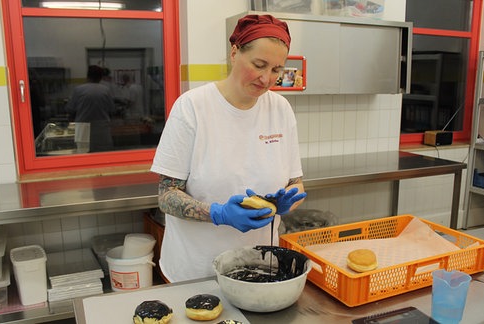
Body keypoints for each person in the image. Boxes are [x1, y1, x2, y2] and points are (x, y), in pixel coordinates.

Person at [150, 14, 307, 283]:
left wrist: (288, 200)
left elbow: (296, 182)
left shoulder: (280, 109)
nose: (266, 78)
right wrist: (218, 213)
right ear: (234, 52)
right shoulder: (192, 108)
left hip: (258, 267)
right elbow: (166, 195)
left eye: (276, 70)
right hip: (197, 272)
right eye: (259, 65)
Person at [65, 65, 116, 153]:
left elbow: (71, 110)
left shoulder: (78, 89)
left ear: (88, 76)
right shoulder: (105, 90)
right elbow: (112, 110)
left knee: (84, 157)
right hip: (102, 130)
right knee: (103, 157)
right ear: (100, 77)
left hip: (83, 128)